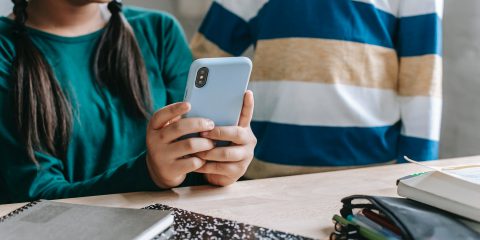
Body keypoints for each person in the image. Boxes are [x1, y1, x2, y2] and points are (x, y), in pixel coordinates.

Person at [0, 0, 257, 204]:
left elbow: (188, 163)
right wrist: (149, 174)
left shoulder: (159, 31)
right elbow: (36, 197)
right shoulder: (6, 48)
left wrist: (215, 168)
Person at [191, 0, 443, 179]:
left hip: (368, 175)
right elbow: (201, 63)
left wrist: (417, 175)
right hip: (265, 174)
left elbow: (422, 81)